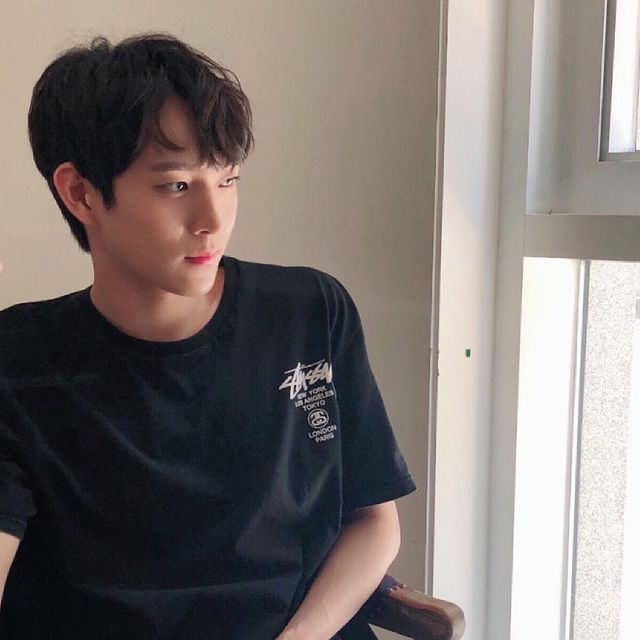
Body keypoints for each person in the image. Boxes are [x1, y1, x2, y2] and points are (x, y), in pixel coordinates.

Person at [0, 34, 416, 640]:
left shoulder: (310, 312)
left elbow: (374, 522)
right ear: (81, 193)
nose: (213, 220)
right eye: (176, 186)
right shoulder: (19, 359)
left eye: (227, 179)